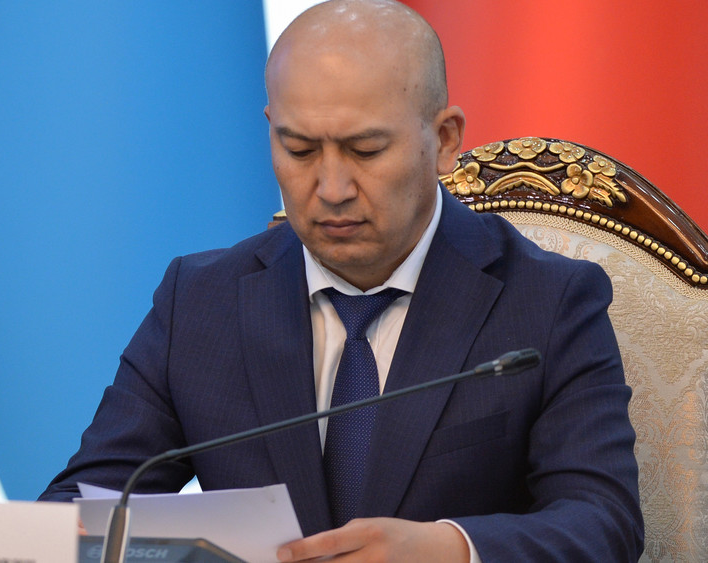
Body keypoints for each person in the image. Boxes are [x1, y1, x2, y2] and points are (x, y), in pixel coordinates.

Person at [40, 0, 644, 561]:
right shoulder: (199, 301)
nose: (331, 189)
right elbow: (79, 511)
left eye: (365, 150)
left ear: (444, 140)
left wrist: (450, 549)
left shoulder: (549, 302)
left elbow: (603, 522)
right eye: (300, 150)